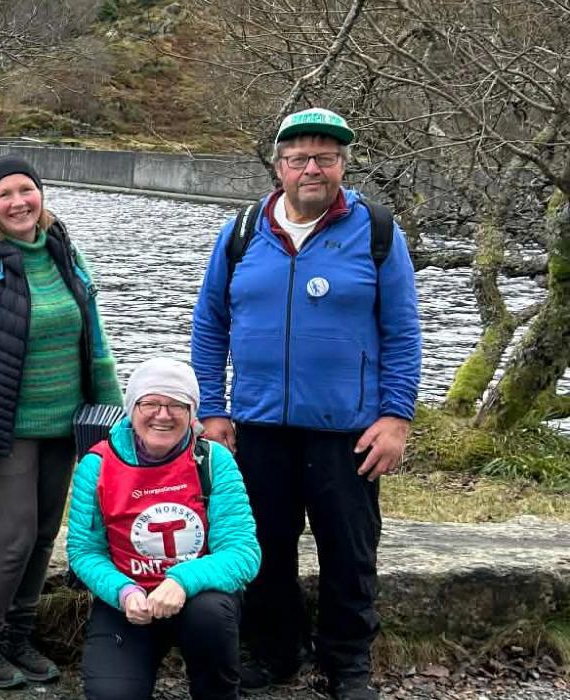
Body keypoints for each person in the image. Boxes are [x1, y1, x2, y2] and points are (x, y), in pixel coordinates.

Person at [190, 107, 420, 700]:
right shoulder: (242, 232)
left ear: (342, 166)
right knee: (264, 546)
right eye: (299, 158)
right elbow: (210, 324)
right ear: (279, 167)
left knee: (349, 551)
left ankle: (347, 665)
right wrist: (213, 410)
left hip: (348, 429)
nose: (312, 169)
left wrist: (396, 417)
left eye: (325, 158)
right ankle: (275, 653)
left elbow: (402, 332)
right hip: (258, 425)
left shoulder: (377, 232)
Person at [0, 154, 124, 689]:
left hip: (65, 429)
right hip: (3, 431)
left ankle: (18, 638)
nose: (18, 202)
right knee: (12, 539)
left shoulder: (65, 254)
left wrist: (114, 416)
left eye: (26, 190)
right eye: (5, 194)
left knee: (44, 535)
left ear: (40, 194)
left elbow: (95, 342)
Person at [66, 358, 260, 700]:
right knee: (112, 695)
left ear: (192, 412)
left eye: (176, 405)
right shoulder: (97, 464)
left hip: (199, 599)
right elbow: (84, 551)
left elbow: (243, 552)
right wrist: (124, 592)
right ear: (132, 408)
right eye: (150, 403)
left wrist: (181, 581)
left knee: (210, 616)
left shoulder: (214, 460)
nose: (163, 415)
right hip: (128, 601)